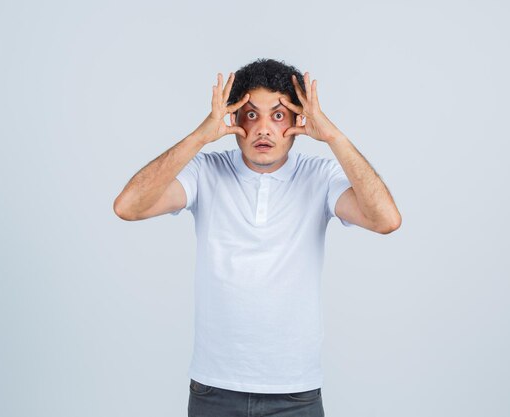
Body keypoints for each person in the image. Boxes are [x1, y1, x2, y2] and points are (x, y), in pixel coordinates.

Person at [113, 58, 401, 417]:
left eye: (278, 115)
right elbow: (129, 207)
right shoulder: (206, 172)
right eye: (252, 114)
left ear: (298, 121)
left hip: (295, 392)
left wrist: (334, 137)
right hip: (214, 388)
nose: (264, 128)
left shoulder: (320, 175)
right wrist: (200, 135)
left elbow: (385, 219)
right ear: (234, 120)